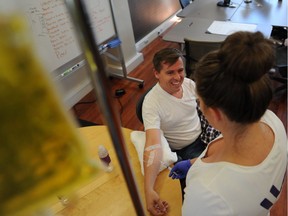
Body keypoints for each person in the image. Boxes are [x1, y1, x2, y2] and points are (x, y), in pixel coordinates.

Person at [169, 31, 287, 215]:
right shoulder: (273, 123)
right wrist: (194, 163)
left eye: (199, 101)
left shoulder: (208, 194)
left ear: (215, 113)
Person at [142, 48, 220, 215]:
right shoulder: (151, 103)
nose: (178, 78)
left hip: (202, 137)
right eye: (170, 72)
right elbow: (152, 145)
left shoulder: (189, 84)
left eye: (180, 70)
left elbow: (211, 103)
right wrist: (148, 189)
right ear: (156, 73)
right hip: (183, 150)